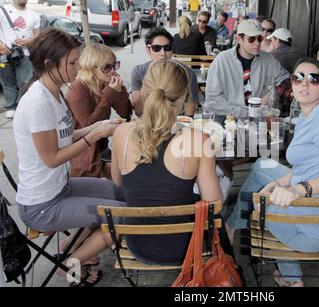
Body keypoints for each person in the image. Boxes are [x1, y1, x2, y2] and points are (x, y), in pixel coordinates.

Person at [227, 58, 319, 287]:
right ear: (291, 83)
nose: (304, 84)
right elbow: (303, 168)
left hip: (316, 224)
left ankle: (293, 279)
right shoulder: (311, 115)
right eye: (298, 77)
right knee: (260, 166)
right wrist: (277, 183)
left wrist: (298, 189)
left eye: (313, 78)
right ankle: (232, 226)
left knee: (260, 205)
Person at [13, 29, 125, 286]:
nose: (78, 68)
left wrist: (100, 127)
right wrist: (95, 136)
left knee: (117, 192)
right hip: (42, 205)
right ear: (49, 64)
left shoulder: (55, 92)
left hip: (61, 188)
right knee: (121, 215)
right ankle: (70, 262)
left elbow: (66, 134)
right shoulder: (38, 102)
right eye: (72, 63)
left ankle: (71, 247)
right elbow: (52, 157)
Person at [111, 59, 222, 265]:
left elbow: (118, 183)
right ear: (183, 98)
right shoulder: (199, 140)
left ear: (144, 92)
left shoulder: (121, 133)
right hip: (184, 246)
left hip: (138, 244)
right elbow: (214, 205)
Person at [66, 44, 132, 178]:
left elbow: (126, 114)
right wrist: (108, 94)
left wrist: (120, 91)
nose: (113, 71)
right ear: (91, 68)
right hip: (83, 154)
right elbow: (88, 125)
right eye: (107, 67)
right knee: (125, 174)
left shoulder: (104, 83)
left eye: (114, 65)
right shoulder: (78, 88)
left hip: (101, 149)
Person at [205, 19, 291, 116]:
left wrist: (271, 94)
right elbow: (212, 100)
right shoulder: (222, 60)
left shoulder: (268, 59)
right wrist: (244, 112)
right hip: (227, 118)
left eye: (259, 38)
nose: (257, 43)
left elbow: (287, 79)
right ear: (239, 39)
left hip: (259, 119)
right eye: (251, 39)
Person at [131, 27, 200, 117]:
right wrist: (149, 76)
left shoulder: (187, 73)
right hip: (149, 122)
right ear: (148, 50)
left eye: (167, 47)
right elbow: (138, 111)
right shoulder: (139, 72)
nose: (163, 53)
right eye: (156, 48)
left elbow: (189, 112)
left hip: (177, 122)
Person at [0, 0, 40, 119]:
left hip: (25, 54)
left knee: (25, 82)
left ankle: (23, 106)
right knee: (7, 82)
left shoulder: (34, 14)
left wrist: (28, 41)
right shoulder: (3, 10)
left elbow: (37, 34)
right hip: (4, 54)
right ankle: (11, 107)